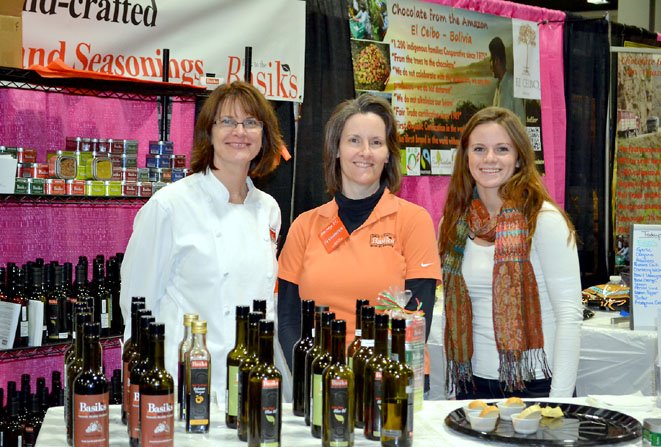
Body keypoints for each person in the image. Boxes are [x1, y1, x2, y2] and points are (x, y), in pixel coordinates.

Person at [119, 81, 285, 406]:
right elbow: (138, 306)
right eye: (227, 121)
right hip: (184, 382)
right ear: (208, 133)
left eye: (251, 122)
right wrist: (139, 393)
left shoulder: (268, 209)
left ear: (264, 135)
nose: (240, 131)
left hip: (249, 382)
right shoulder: (170, 206)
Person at [277, 93, 441, 367]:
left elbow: (416, 320)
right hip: (321, 382)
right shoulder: (304, 226)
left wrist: (367, 380)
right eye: (354, 140)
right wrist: (318, 376)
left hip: (390, 384)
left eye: (376, 142)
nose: (365, 152)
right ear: (337, 149)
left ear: (388, 154)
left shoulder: (414, 220)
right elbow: (288, 321)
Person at [438, 106, 581, 399]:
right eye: (479, 149)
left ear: (518, 159)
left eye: (502, 149)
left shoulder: (543, 219)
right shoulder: (453, 224)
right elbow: (450, 313)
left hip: (537, 383)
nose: (489, 158)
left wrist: (561, 400)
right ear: (466, 158)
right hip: (472, 383)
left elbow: (569, 315)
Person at [489, 37, 526, 124]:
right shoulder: (498, 87)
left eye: (490, 60)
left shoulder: (513, 85)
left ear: (496, 61)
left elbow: (521, 121)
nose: (489, 65)